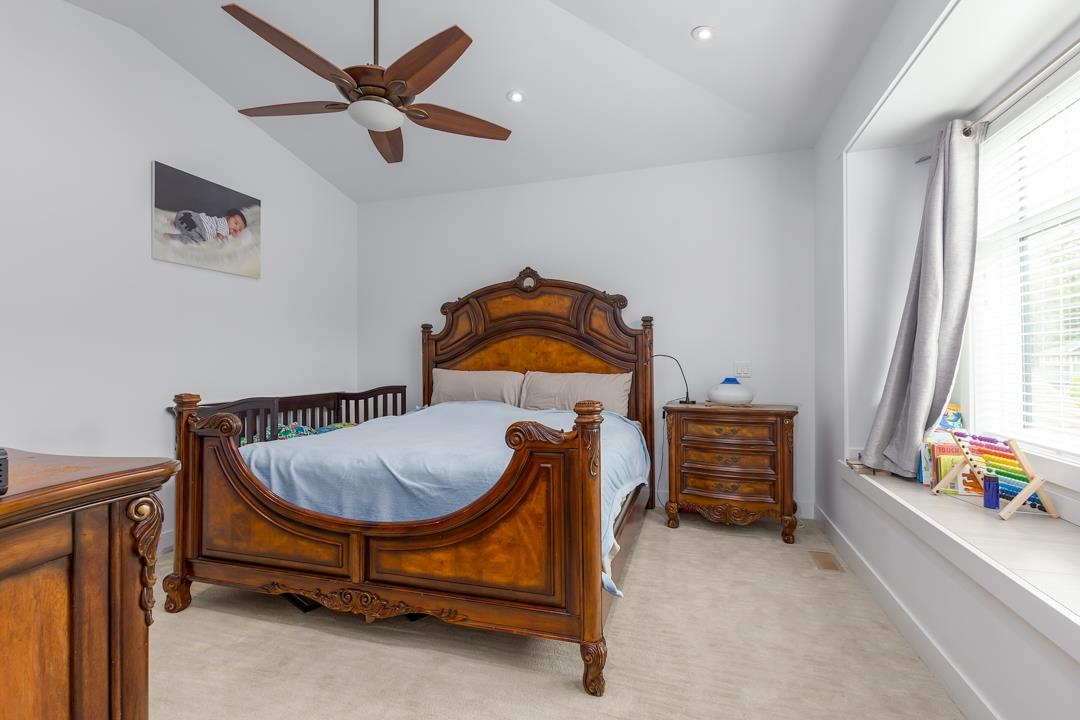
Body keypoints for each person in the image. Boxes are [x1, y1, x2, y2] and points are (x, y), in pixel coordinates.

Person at [164, 208, 247, 244]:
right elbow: (220, 234)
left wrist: (234, 235)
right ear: (227, 217)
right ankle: (172, 237)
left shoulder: (219, 224)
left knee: (190, 230)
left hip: (186, 215)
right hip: (199, 225)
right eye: (236, 223)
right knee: (197, 241)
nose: (237, 228)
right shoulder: (224, 223)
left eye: (240, 230)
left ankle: (176, 224)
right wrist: (219, 238)